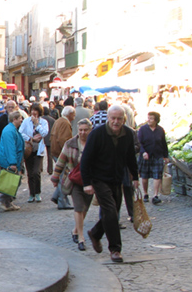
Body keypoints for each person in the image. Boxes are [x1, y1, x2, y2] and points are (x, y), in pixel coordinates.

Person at [80, 105, 139, 263]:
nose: (116, 121)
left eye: (119, 119)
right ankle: (115, 249)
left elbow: (130, 157)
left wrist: (135, 177)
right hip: (99, 179)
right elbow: (86, 159)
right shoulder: (97, 134)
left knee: (111, 212)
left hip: (117, 178)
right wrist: (87, 183)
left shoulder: (128, 134)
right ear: (108, 118)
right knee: (111, 212)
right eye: (113, 118)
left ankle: (96, 233)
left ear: (123, 119)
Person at [51, 119, 94, 251]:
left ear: (90, 130)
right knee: (78, 207)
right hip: (74, 180)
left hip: (90, 181)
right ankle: (81, 237)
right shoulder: (70, 144)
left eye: (85, 130)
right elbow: (61, 161)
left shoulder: (94, 143)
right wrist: (55, 177)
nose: (82, 132)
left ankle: (75, 230)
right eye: (80, 130)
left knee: (85, 207)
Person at [19, 103, 49, 203]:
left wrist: (37, 125)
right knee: (30, 173)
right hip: (29, 150)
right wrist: (30, 139)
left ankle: (38, 192)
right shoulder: (26, 121)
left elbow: (44, 133)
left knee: (36, 172)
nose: (33, 112)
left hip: (39, 150)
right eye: (32, 110)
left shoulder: (43, 122)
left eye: (35, 110)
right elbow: (20, 132)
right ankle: (31, 193)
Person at [137, 111, 168, 205]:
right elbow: (139, 142)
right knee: (145, 176)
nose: (149, 120)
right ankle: (146, 193)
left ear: (156, 120)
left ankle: (155, 195)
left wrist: (166, 156)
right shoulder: (142, 129)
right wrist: (143, 152)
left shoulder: (160, 130)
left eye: (151, 118)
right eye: (148, 118)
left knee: (157, 175)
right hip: (146, 156)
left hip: (157, 155)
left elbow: (163, 143)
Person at [0, 111, 24, 211]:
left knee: (15, 181)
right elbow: (10, 147)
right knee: (13, 182)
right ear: (14, 119)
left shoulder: (12, 129)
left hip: (11, 160)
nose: (22, 120)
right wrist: (13, 162)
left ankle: (8, 202)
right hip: (9, 161)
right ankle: (2, 199)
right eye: (20, 118)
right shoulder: (9, 131)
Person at [50, 105, 76, 210]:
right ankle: (62, 201)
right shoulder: (65, 123)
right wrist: (67, 154)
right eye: (73, 115)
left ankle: (57, 196)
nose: (74, 117)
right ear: (70, 114)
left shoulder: (59, 121)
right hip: (60, 153)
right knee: (63, 177)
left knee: (62, 176)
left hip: (55, 151)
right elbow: (64, 140)